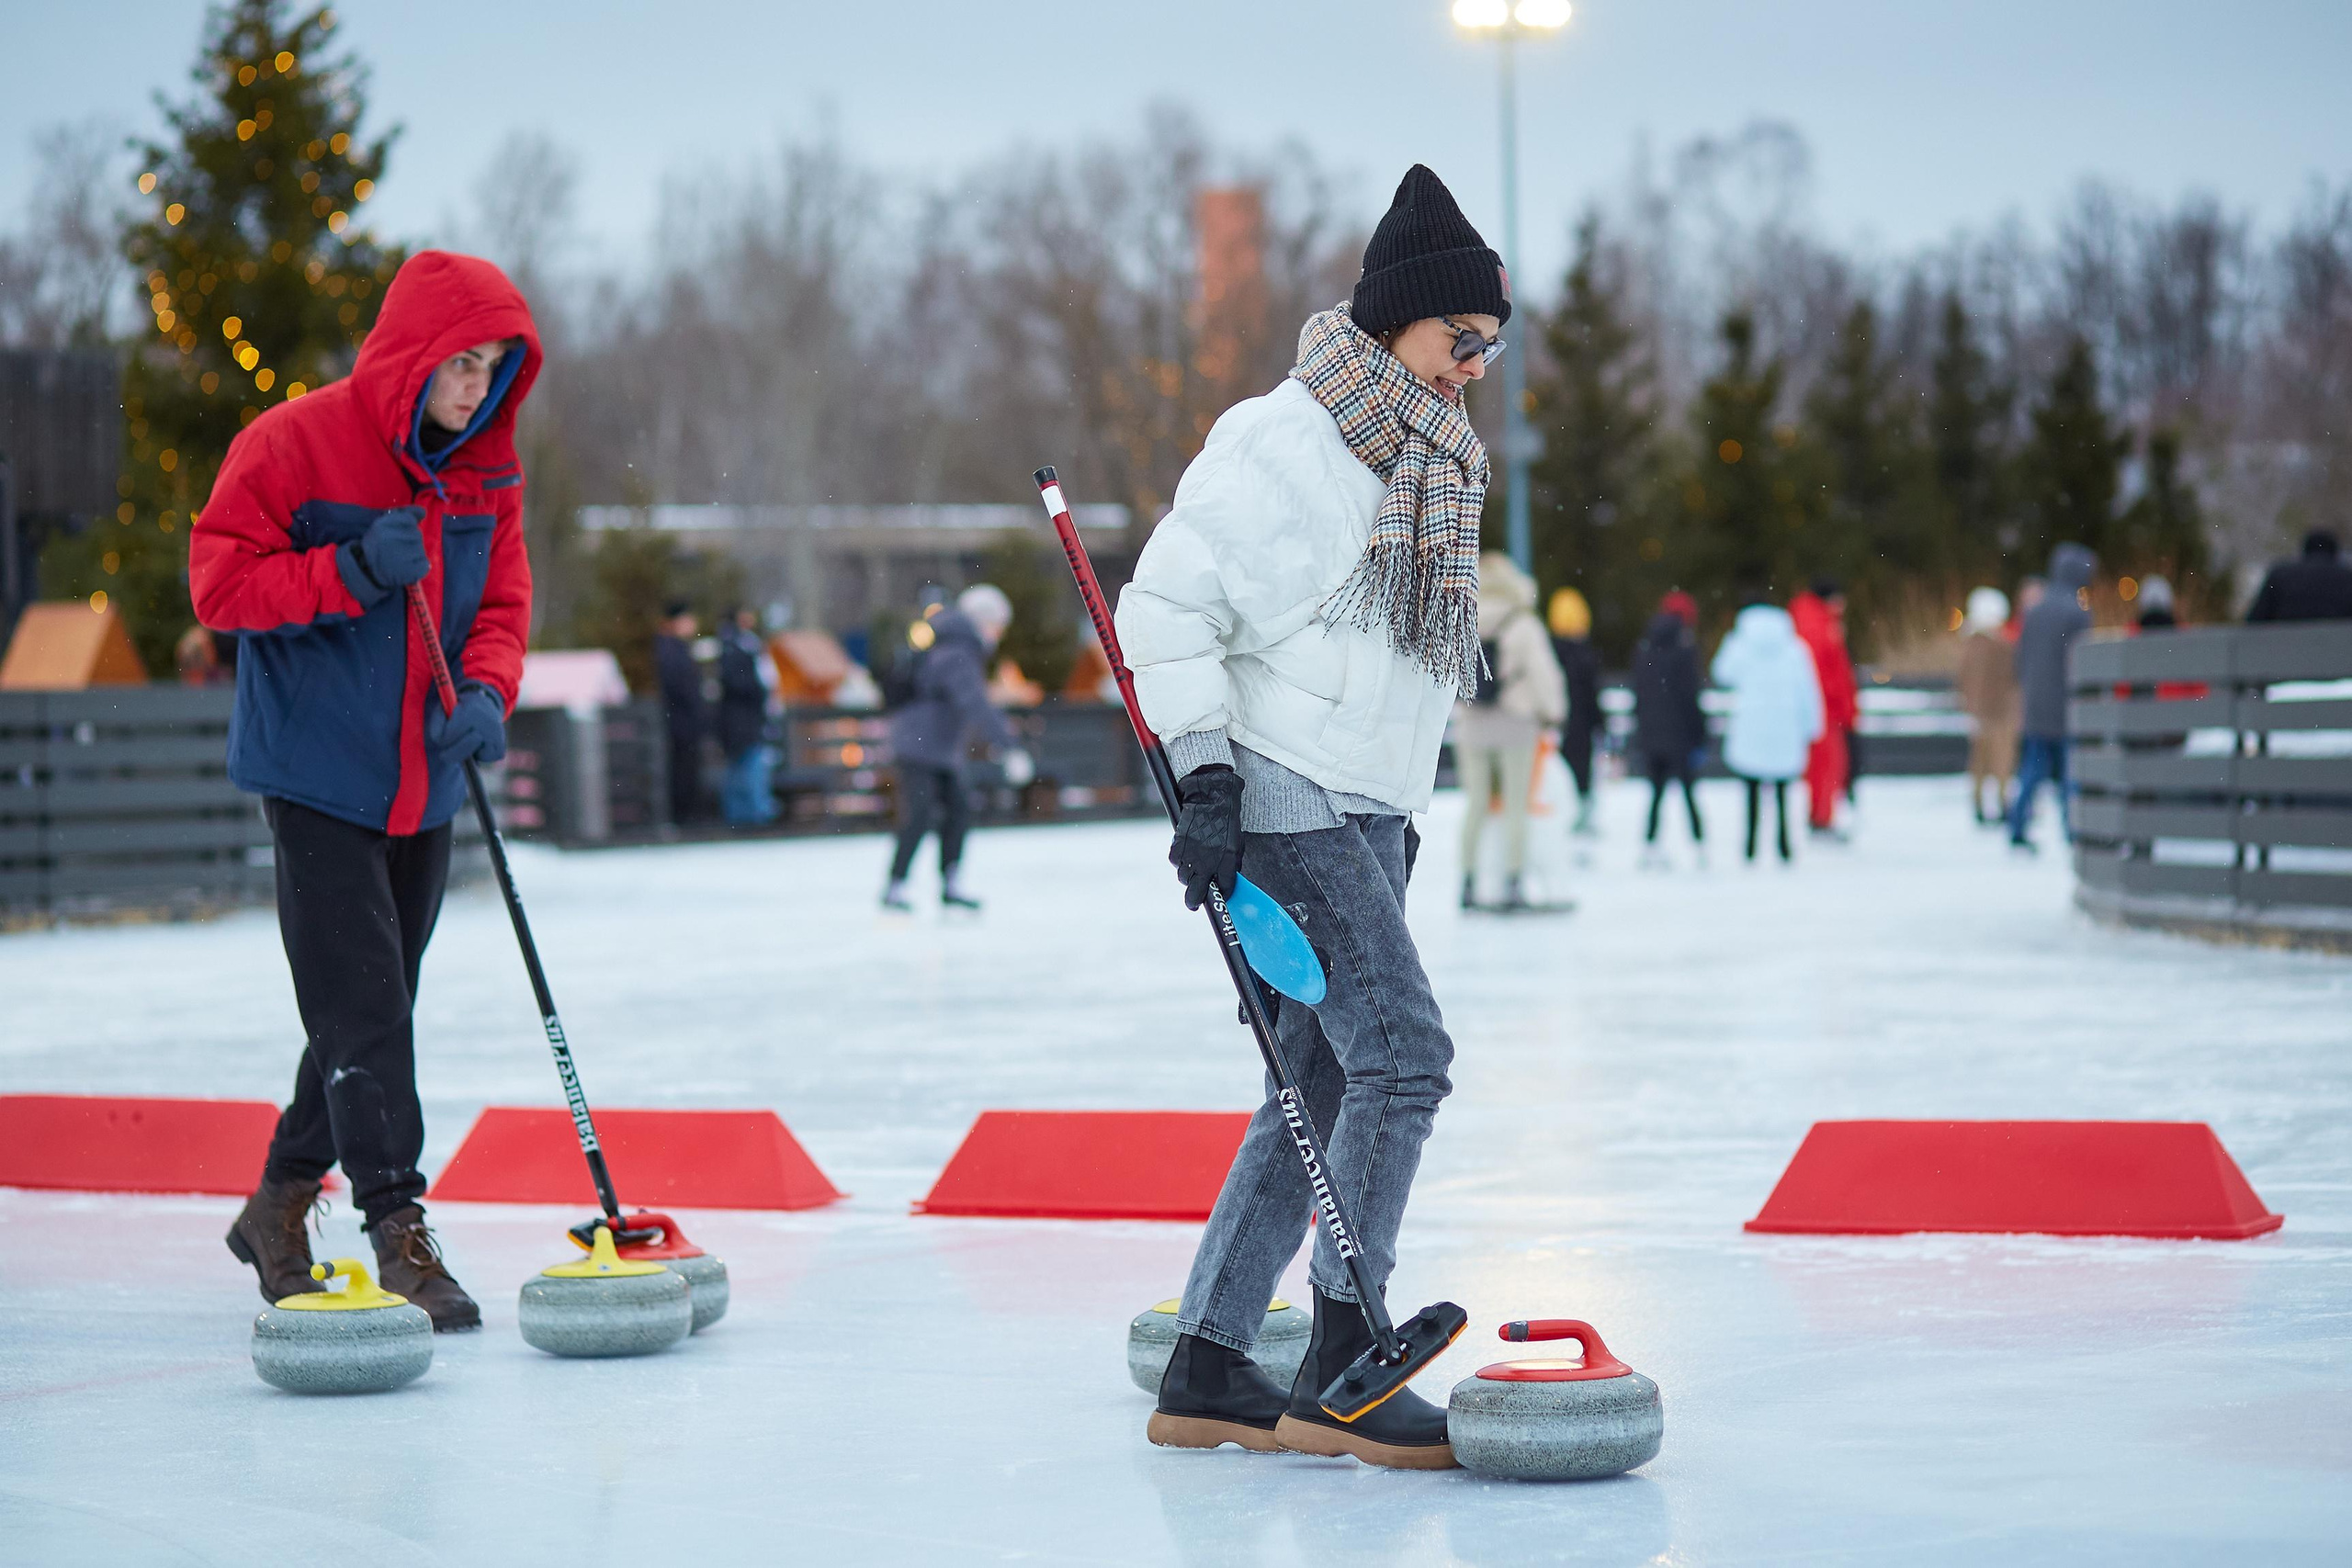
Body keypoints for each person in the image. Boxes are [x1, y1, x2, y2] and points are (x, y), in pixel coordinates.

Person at [1114, 163, 1504, 1469]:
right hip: (1287, 797)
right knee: (1403, 1056)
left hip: (1372, 804)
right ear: (1397, 319)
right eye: (1460, 337)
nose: (1474, 366)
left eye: (1490, 346)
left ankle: (1211, 1356)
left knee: (1322, 1076)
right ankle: (1344, 1353)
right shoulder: (1283, 440)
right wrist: (1206, 780)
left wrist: (1400, 810)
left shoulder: (1425, 455)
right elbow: (1167, 610)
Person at [190, 251, 540, 1332]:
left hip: (423, 781)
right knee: (368, 1007)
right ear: (412, 355)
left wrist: (487, 692)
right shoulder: (293, 444)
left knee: (366, 1008)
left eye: (494, 366)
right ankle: (398, 1227)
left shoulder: (486, 470)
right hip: (318, 773)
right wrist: (346, 574)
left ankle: (278, 1204)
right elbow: (220, 584)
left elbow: (503, 604)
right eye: (460, 364)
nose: (477, 387)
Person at [883, 583, 1033, 910]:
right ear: (984, 622)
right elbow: (973, 702)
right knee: (920, 814)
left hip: (937, 748)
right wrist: (1009, 746)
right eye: (998, 626)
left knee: (958, 809)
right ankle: (896, 885)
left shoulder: (953, 644)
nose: (1000, 635)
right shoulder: (958, 651)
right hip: (920, 747)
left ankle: (949, 883)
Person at [1453, 551, 1566, 909]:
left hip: (1472, 725)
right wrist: (1553, 713)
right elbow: (1543, 675)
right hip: (1516, 725)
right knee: (1516, 806)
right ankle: (1513, 882)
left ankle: (1468, 883)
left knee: (1477, 805)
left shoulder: (1461, 619)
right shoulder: (1522, 622)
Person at [1711, 590, 1824, 864]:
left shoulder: (1741, 645)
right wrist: (1812, 726)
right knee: (1783, 792)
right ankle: (1784, 845)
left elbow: (1721, 673)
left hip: (1751, 728)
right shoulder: (1795, 648)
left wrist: (1730, 641)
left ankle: (1750, 846)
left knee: (1751, 791)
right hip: (1785, 729)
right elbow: (1807, 690)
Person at [2008, 543, 2098, 852]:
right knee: (2070, 774)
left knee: (2032, 770)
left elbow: (2021, 658)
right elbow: (2082, 662)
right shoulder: (2077, 613)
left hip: (2036, 704)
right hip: (2065, 705)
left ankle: (2017, 824)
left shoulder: (2034, 611)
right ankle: (2073, 829)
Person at [1632, 591, 1707, 865]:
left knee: (1656, 794)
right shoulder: (1685, 652)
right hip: (1680, 737)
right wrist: (1699, 735)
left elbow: (1640, 694)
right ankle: (1699, 847)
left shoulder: (1645, 648)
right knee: (1688, 793)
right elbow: (1690, 697)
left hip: (1652, 735)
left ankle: (1649, 847)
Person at [1788, 579, 1858, 838]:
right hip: (1825, 709)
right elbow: (1826, 672)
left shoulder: (1812, 619)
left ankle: (1821, 816)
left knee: (1826, 766)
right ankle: (1821, 819)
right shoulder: (1818, 624)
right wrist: (1840, 703)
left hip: (1824, 708)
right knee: (1828, 766)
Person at [1956, 586, 2019, 826]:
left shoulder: (1970, 644)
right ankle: (2002, 804)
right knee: (2001, 761)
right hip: (1998, 711)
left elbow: (1964, 679)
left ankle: (1980, 804)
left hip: (1981, 711)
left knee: (1981, 762)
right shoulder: (1999, 645)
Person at [1546, 587, 1602, 837]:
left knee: (1559, 771)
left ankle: (1561, 815)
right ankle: (1582, 817)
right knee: (1582, 774)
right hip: (1581, 725)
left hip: (1557, 723)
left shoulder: (1549, 651)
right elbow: (1591, 694)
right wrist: (1599, 722)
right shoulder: (1585, 654)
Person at [716, 605, 778, 826]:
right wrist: (758, 691)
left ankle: (746, 813)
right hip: (742, 720)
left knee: (744, 765)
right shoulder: (734, 646)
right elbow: (737, 682)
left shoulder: (745, 644)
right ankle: (752, 813)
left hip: (745, 720)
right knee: (748, 765)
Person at [654, 602, 707, 826]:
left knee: (688, 768)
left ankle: (688, 814)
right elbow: (678, 684)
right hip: (680, 721)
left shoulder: (677, 647)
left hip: (685, 720)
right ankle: (684, 816)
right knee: (682, 769)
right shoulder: (670, 648)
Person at [2245, 528, 2352, 622]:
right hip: (2337, 638)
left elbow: (2256, 620)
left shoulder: (2280, 575)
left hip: (2287, 637)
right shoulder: (2347, 577)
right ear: (2335, 551)